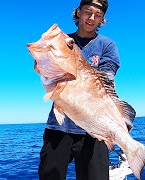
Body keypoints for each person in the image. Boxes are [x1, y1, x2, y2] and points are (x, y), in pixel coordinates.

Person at [38, 0, 120, 179]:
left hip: (94, 131)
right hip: (58, 127)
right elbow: (46, 71)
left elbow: (106, 84)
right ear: (78, 12)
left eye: (98, 15)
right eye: (87, 12)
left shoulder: (107, 46)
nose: (91, 18)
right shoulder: (63, 41)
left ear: (102, 20)